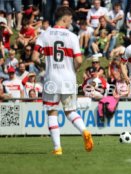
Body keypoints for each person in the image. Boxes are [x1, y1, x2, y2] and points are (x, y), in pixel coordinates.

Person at [32, 6, 93, 155]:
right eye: (70, 19)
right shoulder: (72, 36)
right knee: (70, 111)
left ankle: (57, 148)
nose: (71, 22)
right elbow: (78, 60)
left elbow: (34, 58)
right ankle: (84, 130)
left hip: (52, 78)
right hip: (68, 78)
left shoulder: (44, 35)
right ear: (64, 18)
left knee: (52, 112)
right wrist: (74, 69)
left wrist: (44, 64)